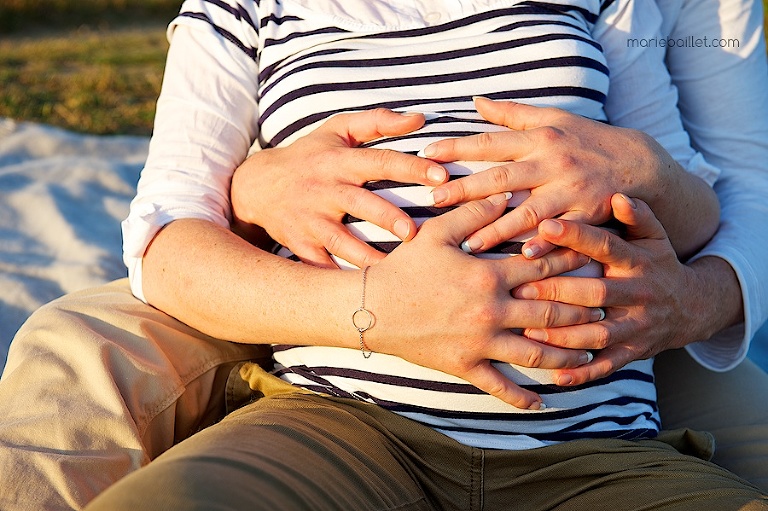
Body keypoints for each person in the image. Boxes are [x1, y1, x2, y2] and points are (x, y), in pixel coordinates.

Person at [0, 1, 766, 510]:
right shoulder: (244, 10)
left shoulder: (602, 6)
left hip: (593, 444)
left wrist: (644, 172)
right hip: (343, 424)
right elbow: (166, 235)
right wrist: (376, 308)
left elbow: (707, 198)